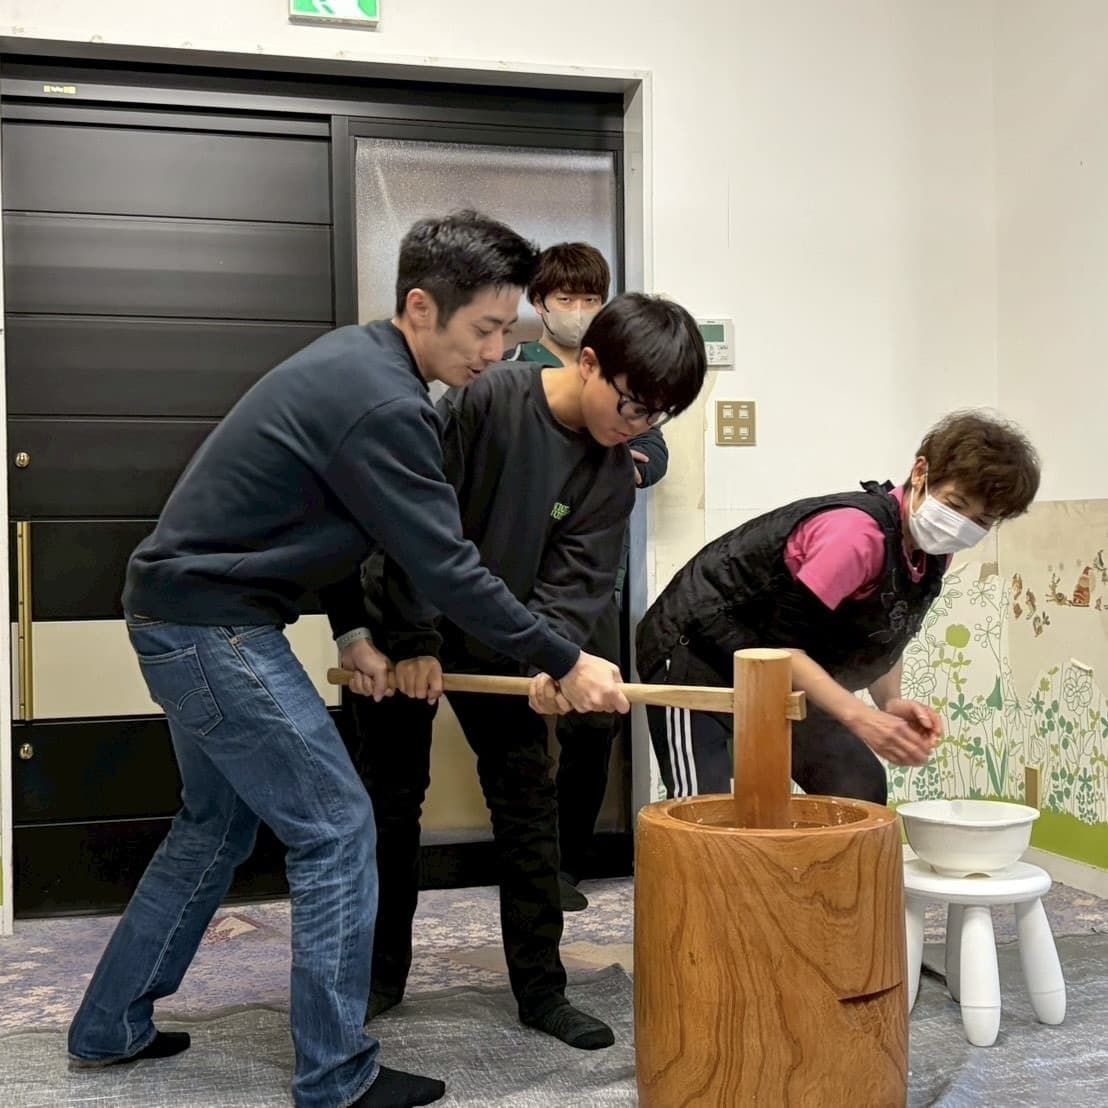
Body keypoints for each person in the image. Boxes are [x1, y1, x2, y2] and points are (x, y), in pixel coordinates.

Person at [65, 211, 631, 1108]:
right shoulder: (388, 404)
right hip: (214, 629)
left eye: (508, 331)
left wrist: (354, 632)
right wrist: (567, 659)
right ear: (422, 307)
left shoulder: (359, 365)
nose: (498, 352)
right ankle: (335, 1075)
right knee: (336, 827)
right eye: (485, 329)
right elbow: (445, 566)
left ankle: (109, 1025)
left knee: (213, 828)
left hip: (189, 617)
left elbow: (334, 521)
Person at [344, 292, 706, 1050]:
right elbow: (414, 520)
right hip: (403, 624)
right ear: (589, 362)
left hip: (503, 640)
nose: (638, 425)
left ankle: (542, 991)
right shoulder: (488, 398)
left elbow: (576, 585)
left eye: (658, 416)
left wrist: (555, 659)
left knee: (527, 808)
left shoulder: (612, 475)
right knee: (390, 805)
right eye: (633, 403)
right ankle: (379, 978)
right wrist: (412, 641)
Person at [633, 410, 1041, 803]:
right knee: (703, 810)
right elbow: (783, 647)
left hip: (778, 666)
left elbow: (885, 627)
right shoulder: (854, 536)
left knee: (857, 784)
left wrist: (889, 703)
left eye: (981, 521)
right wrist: (861, 718)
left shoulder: (933, 551)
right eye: (955, 504)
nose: (962, 525)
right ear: (921, 473)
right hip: (698, 649)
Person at [508, 242, 669, 910]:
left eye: (590, 298)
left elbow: (652, 457)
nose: (577, 310)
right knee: (516, 724)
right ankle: (528, 868)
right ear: (539, 303)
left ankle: (566, 863)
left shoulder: (626, 376)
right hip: (517, 578)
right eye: (565, 297)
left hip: (596, 578)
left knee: (593, 721)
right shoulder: (512, 372)